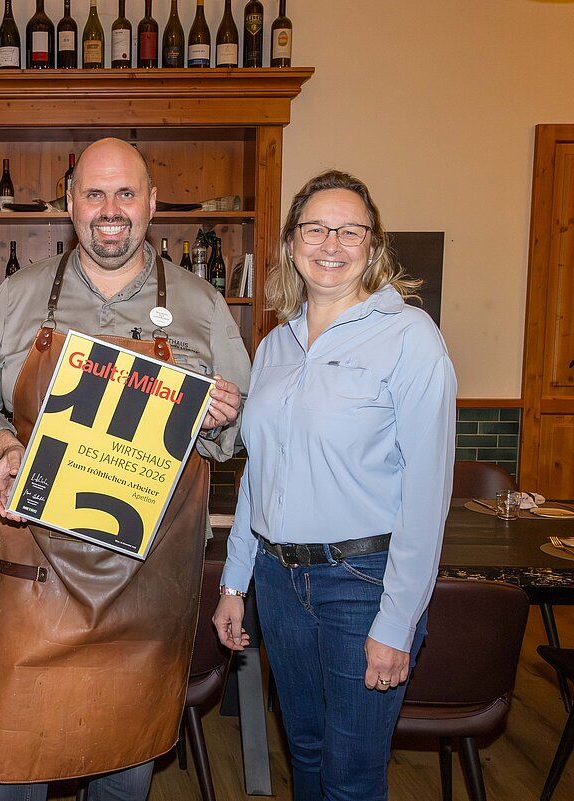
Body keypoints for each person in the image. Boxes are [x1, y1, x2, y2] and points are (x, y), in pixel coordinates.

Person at [0, 137, 249, 800]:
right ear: (69, 203)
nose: (109, 209)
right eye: (94, 193)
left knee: (123, 773)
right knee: (9, 774)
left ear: (151, 203)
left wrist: (226, 415)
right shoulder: (20, 296)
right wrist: (3, 446)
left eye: (125, 193)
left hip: (146, 586)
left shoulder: (201, 304)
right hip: (36, 576)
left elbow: (246, 421)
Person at [214, 170, 457, 801]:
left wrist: (397, 621)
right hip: (277, 580)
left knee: (351, 777)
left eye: (350, 230)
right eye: (316, 228)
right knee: (307, 754)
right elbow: (255, 476)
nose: (332, 243)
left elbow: (428, 499)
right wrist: (235, 582)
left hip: (363, 586)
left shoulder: (411, 340)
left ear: (373, 246)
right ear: (292, 243)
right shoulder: (272, 346)